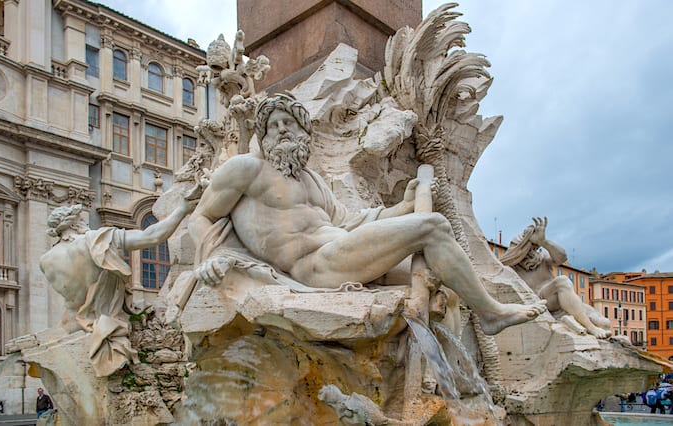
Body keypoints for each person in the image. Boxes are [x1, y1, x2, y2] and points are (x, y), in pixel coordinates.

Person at [189, 94, 546, 336]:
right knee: (434, 227)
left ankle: (436, 386)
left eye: (289, 123)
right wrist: (213, 257)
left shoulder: (313, 180)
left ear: (304, 132)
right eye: (273, 125)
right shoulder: (245, 170)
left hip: (342, 251)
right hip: (313, 267)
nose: (281, 130)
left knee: (447, 290)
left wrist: (403, 207)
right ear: (263, 136)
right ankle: (490, 313)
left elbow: (352, 223)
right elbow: (202, 216)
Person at [40, 191, 198, 376]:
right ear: (74, 223)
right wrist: (182, 209)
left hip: (74, 327)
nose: (85, 224)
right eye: (82, 221)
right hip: (108, 325)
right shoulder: (97, 240)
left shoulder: (46, 259)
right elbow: (152, 236)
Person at [501, 217, 611, 338]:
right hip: (542, 300)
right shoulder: (512, 266)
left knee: (605, 324)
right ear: (521, 248)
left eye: (535, 248)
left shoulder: (542, 257)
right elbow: (500, 265)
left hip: (563, 299)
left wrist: (544, 242)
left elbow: (562, 257)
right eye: (530, 247)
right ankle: (591, 328)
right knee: (562, 281)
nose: (534, 251)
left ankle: (568, 319)